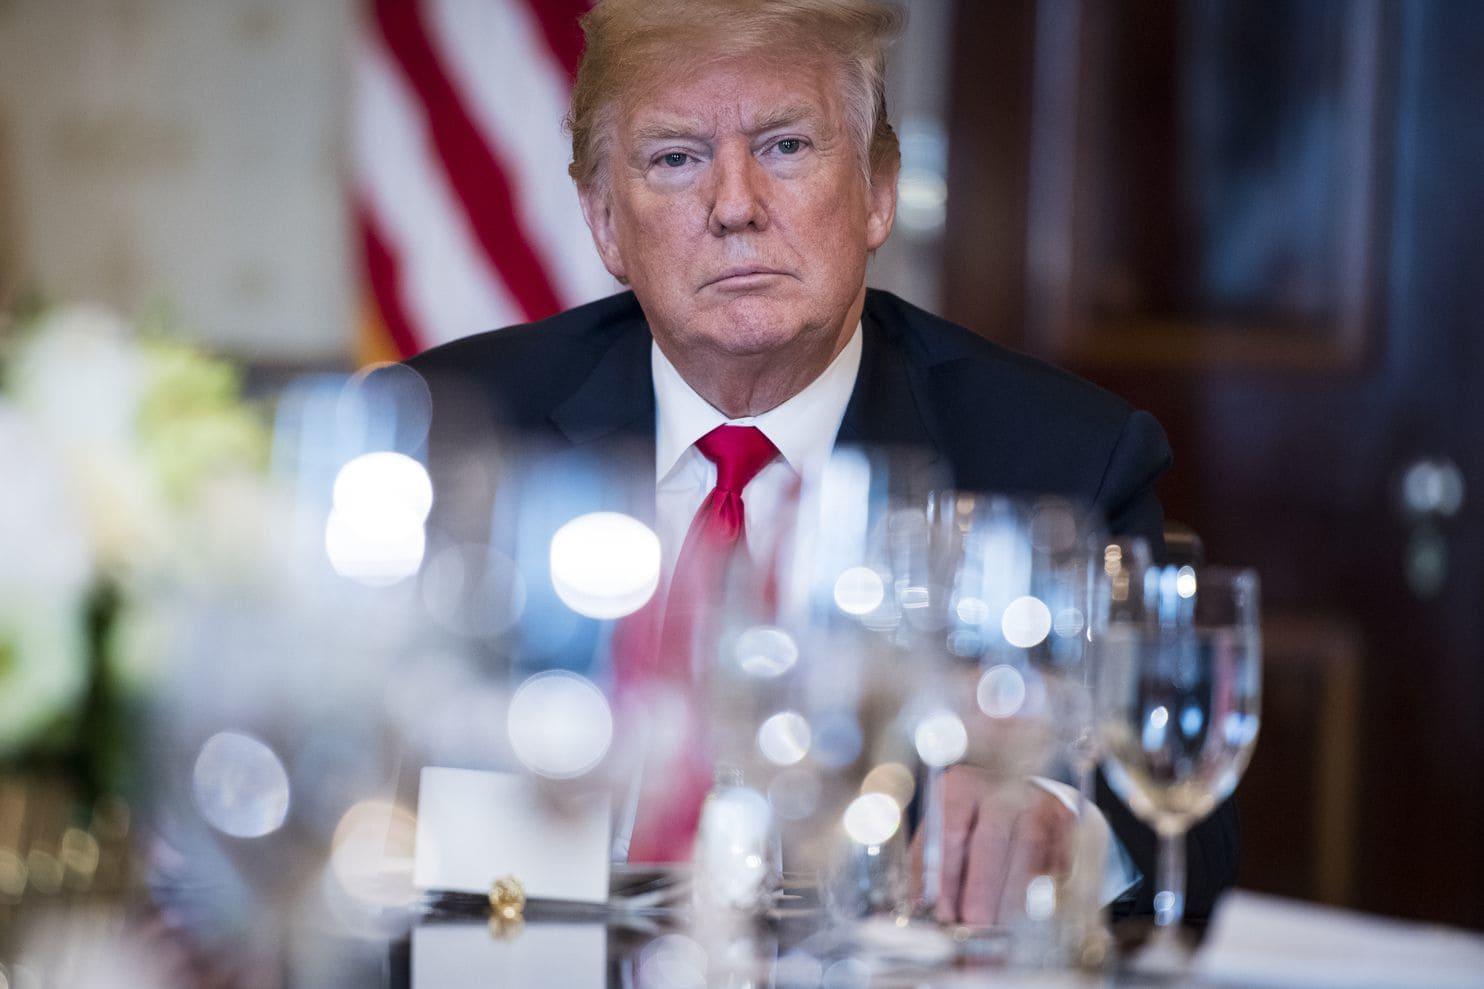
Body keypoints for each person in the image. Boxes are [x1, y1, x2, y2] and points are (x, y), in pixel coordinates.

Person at [406, 0, 1238, 923]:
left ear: (879, 191)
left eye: (786, 146)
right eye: (676, 159)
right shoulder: (456, 432)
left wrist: (1062, 828)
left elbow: (1183, 825)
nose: (734, 206)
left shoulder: (1059, 457)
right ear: (605, 223)